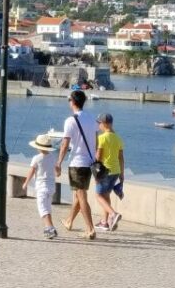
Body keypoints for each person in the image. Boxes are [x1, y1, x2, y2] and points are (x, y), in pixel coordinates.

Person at [55, 90, 98, 239]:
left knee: (81, 196)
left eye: (69, 100)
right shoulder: (92, 119)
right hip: (90, 164)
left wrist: (59, 162)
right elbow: (96, 140)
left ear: (73, 102)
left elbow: (65, 144)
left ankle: (90, 229)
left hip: (77, 163)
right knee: (79, 196)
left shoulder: (70, 121)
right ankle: (69, 221)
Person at [22, 134, 57, 239]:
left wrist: (26, 183)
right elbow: (57, 170)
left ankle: (50, 228)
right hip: (51, 186)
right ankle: (48, 228)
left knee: (42, 209)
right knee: (47, 208)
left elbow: (32, 171)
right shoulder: (52, 157)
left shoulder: (36, 158)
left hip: (42, 187)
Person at [94, 113, 124, 231]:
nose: (98, 125)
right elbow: (121, 157)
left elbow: (98, 158)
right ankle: (105, 222)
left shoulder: (101, 138)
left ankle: (113, 214)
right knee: (106, 195)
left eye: (99, 123)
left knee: (98, 195)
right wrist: (122, 174)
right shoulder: (118, 138)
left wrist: (96, 174)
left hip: (105, 170)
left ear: (104, 124)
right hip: (116, 170)